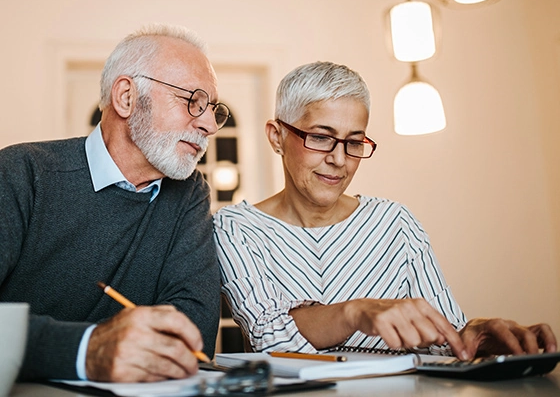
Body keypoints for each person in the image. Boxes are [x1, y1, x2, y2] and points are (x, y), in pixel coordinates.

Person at [213, 61, 556, 359]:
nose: (338, 158)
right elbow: (271, 339)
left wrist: (477, 336)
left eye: (354, 142)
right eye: (320, 137)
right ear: (276, 137)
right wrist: (355, 312)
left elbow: (443, 341)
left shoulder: (396, 223)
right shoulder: (236, 228)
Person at [0, 24, 231, 382]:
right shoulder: (20, 173)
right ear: (126, 97)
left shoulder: (188, 193)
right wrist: (87, 349)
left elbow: (191, 338)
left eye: (212, 108)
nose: (209, 125)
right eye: (193, 102)